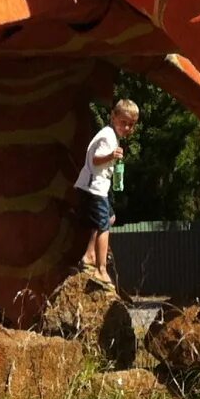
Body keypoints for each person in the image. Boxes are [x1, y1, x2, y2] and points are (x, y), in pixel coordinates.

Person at [70, 98, 139, 283]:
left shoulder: (112, 136)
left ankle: (89, 255)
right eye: (123, 123)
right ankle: (101, 269)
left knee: (109, 217)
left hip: (100, 187)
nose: (126, 128)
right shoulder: (107, 135)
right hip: (94, 188)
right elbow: (96, 159)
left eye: (130, 125)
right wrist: (111, 155)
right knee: (103, 226)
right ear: (113, 117)